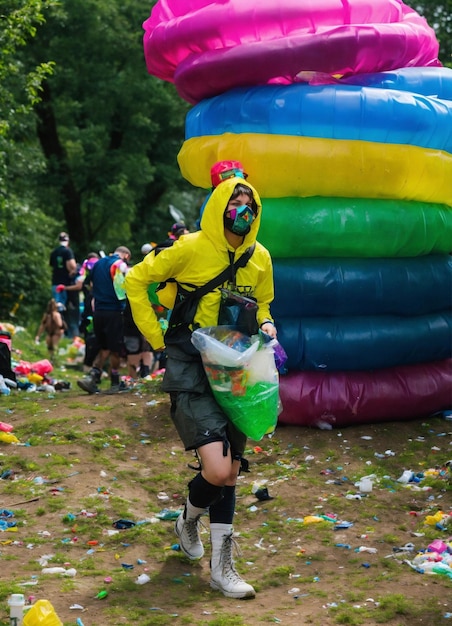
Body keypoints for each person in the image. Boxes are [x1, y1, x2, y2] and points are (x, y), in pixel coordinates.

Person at [125, 176, 276, 599]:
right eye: (235, 202)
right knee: (217, 468)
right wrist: (156, 339)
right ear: (219, 206)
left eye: (250, 203)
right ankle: (188, 520)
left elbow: (263, 302)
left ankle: (221, 567)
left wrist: (266, 323)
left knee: (230, 473)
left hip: (236, 366)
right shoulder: (190, 247)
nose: (242, 210)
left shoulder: (260, 257)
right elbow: (136, 280)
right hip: (191, 364)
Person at [77, 246, 131, 394]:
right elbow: (125, 283)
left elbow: (88, 283)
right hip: (114, 311)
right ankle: (115, 382)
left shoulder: (97, 264)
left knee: (103, 347)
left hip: (98, 312)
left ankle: (93, 379)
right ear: (126, 255)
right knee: (115, 349)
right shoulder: (120, 264)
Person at [57, 253, 100, 369]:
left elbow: (79, 285)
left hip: (88, 305)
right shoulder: (101, 266)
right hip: (99, 305)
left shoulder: (86, 267)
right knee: (97, 336)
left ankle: (88, 363)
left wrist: (64, 287)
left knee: (89, 334)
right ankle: (95, 365)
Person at [49, 232, 77, 310]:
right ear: (68, 241)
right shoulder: (68, 251)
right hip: (65, 284)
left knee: (56, 306)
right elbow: (72, 265)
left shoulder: (54, 252)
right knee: (63, 308)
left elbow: (52, 265)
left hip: (55, 282)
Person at [35, 298, 67, 363]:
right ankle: (50, 360)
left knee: (54, 346)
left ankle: (54, 360)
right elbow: (42, 325)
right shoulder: (46, 315)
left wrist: (55, 318)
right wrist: (38, 335)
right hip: (49, 332)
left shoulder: (57, 315)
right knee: (49, 346)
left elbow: (60, 324)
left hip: (57, 332)